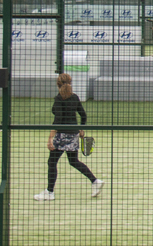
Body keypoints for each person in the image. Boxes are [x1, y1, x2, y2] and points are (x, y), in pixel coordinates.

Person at [35, 73, 104, 201]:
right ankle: (95, 181)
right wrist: (81, 128)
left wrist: (50, 138)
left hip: (62, 136)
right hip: (73, 134)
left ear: (58, 84)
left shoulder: (59, 99)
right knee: (73, 161)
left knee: (52, 162)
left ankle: (49, 192)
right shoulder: (74, 97)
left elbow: (58, 119)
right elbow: (83, 115)